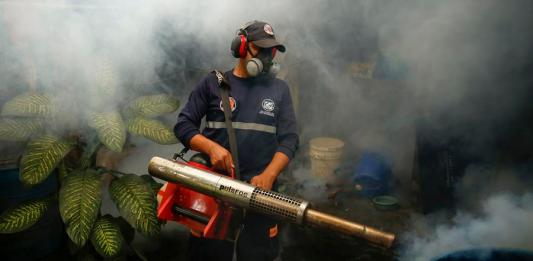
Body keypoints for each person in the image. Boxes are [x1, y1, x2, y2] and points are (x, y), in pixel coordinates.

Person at [174, 20, 299, 261]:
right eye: (260, 49)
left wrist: (269, 175)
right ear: (241, 47)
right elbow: (183, 125)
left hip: (260, 196)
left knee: (258, 255)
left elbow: (290, 139)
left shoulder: (279, 89)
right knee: (208, 255)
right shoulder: (214, 83)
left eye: (270, 51)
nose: (267, 57)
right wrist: (211, 148)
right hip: (214, 195)